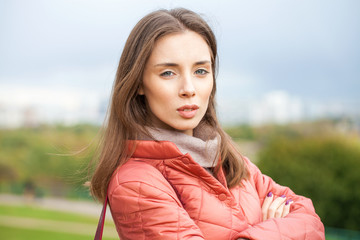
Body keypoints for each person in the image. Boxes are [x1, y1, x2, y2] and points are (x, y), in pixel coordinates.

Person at [90, 8, 325, 240]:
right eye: (168, 73)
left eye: (201, 71)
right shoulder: (136, 182)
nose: (189, 89)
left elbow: (311, 221)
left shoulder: (232, 162)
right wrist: (271, 229)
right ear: (139, 83)